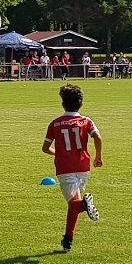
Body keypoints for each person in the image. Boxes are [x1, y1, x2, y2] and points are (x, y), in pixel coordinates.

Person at [42, 84, 103, 252]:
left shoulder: (55, 123)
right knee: (72, 204)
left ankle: (85, 204)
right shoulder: (86, 121)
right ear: (81, 104)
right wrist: (98, 156)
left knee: (75, 203)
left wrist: (58, 153)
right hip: (83, 167)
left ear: (63, 104)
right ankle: (68, 239)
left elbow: (45, 148)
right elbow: (97, 137)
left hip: (65, 168)